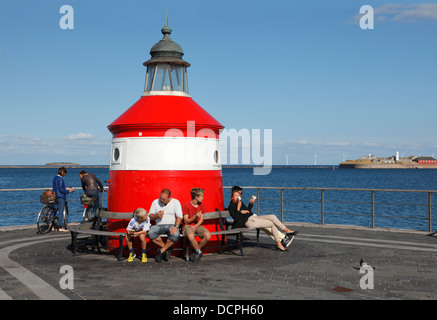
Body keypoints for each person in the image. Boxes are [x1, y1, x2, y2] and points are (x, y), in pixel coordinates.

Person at [228, 189, 298, 251]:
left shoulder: (240, 202)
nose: (238, 197)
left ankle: (286, 230)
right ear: (232, 197)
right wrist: (239, 210)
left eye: (239, 195)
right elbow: (237, 219)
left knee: (272, 216)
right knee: (271, 224)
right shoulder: (231, 206)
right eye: (236, 196)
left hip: (253, 217)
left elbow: (248, 211)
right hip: (248, 221)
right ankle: (279, 244)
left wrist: (250, 204)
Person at [148, 189, 183, 262]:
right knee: (150, 232)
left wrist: (176, 226)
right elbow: (150, 215)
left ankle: (161, 251)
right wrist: (156, 216)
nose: (161, 200)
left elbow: (179, 216)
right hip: (159, 225)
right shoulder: (155, 202)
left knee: (175, 234)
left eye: (163, 199)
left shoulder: (175, 202)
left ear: (169, 198)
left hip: (171, 225)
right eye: (160, 198)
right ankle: (166, 249)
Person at [182, 188, 211, 262]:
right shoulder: (186, 205)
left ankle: (196, 250)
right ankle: (199, 251)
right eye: (201, 196)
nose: (203, 198)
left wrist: (195, 226)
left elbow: (201, 219)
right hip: (187, 226)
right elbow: (186, 221)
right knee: (190, 236)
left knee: (208, 235)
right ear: (196, 197)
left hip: (196, 225)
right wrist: (194, 216)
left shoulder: (201, 205)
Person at [52, 167, 74, 231]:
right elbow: (61, 190)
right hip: (61, 197)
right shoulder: (61, 179)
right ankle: (60, 227)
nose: (65, 174)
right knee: (60, 212)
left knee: (55, 211)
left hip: (55, 196)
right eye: (64, 173)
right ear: (62, 172)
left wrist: (65, 188)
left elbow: (57, 188)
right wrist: (69, 191)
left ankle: (53, 226)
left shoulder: (55, 178)